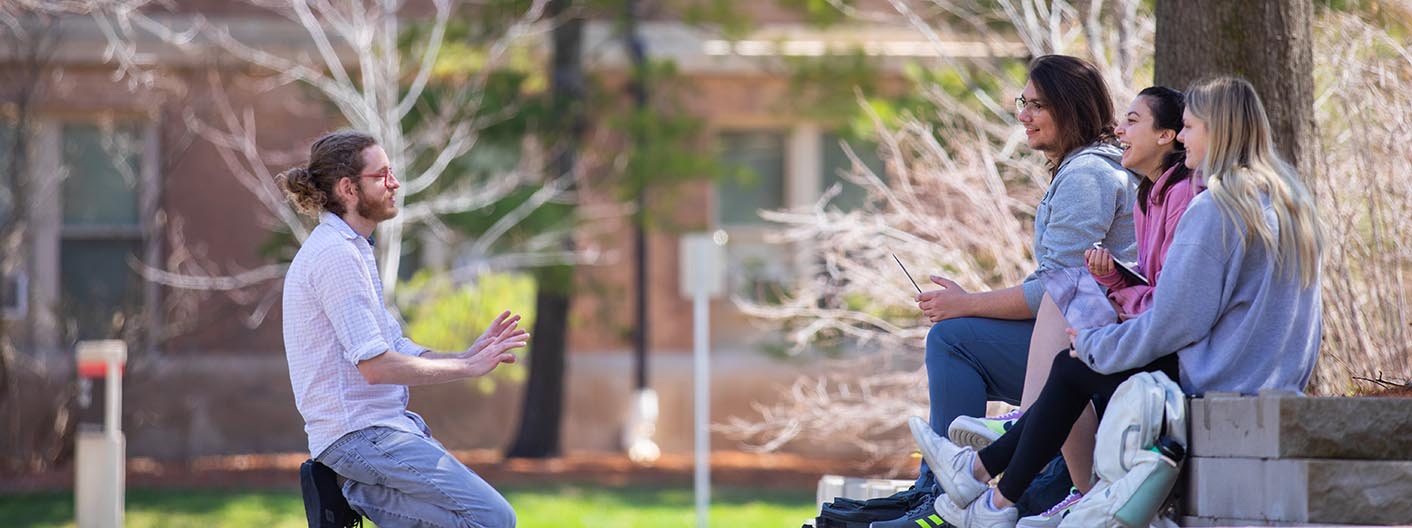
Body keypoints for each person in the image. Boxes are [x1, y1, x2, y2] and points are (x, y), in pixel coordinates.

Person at [915, 76, 1324, 528]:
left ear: (1218, 130)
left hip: (1217, 378)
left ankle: (1000, 486)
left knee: (1074, 366)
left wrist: (1098, 345)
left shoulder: (1214, 209)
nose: (1184, 138)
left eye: (1189, 128)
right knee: (1076, 364)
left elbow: (1176, 321)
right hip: (1271, 377)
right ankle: (989, 490)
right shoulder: (1291, 206)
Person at [875, 54, 1140, 528]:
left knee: (953, 338)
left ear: (1071, 108)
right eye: (1024, 103)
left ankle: (943, 494)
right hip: (1096, 338)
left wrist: (964, 304)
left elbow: (1058, 294)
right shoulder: (1090, 168)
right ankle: (948, 486)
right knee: (958, 335)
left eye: (1037, 105)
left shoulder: (1088, 176)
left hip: (1105, 347)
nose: (1023, 115)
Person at [943, 86, 1201, 525]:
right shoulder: (1148, 195)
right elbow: (1154, 288)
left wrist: (965, 302)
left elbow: (1172, 304)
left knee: (1062, 336)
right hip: (1143, 333)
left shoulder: (1170, 194)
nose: (1120, 128)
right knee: (1066, 355)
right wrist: (1113, 278)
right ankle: (989, 487)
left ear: (1166, 136)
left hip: (1173, 356)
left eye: (1134, 121)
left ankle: (999, 487)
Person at [278, 130, 527, 528]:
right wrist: (466, 370)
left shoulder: (354, 249)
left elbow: (394, 345)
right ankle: (347, 488)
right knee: (493, 519)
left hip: (379, 432)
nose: (395, 183)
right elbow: (376, 366)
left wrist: (466, 355)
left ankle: (345, 490)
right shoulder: (335, 256)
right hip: (360, 435)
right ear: (348, 189)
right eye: (382, 175)